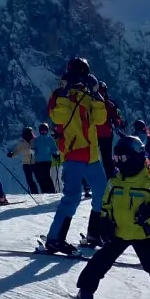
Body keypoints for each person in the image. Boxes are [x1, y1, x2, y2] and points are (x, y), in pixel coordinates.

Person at [74, 136, 150, 299]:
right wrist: (105, 222)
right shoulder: (114, 183)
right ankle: (85, 290)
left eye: (121, 159)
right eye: (115, 159)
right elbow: (106, 204)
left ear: (135, 158)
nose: (117, 163)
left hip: (141, 233)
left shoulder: (147, 183)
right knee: (101, 261)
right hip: (118, 232)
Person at [42, 58, 108, 253]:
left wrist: (96, 95)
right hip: (73, 152)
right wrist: (64, 93)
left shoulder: (87, 96)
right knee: (72, 196)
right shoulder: (59, 95)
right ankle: (54, 239)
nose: (80, 80)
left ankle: (94, 234)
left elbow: (100, 119)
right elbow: (57, 117)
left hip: (92, 154)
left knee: (102, 193)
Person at [95, 80, 124, 178]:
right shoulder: (110, 104)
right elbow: (118, 118)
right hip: (105, 134)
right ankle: (110, 179)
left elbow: (117, 118)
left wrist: (116, 122)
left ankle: (88, 182)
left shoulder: (92, 103)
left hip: (94, 134)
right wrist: (116, 124)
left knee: (92, 158)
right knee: (106, 159)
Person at [7, 126, 37, 192]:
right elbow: (17, 151)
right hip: (26, 163)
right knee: (29, 180)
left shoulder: (35, 141)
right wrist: (12, 155)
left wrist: (34, 151)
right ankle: (35, 192)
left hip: (34, 162)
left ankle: (37, 192)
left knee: (37, 179)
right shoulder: (22, 143)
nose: (28, 134)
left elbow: (38, 150)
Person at [30, 123, 58, 193]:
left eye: (45, 131)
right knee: (40, 177)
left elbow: (54, 148)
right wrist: (31, 153)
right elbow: (33, 149)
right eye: (42, 131)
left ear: (47, 131)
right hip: (38, 161)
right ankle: (44, 190)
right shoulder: (36, 140)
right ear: (39, 131)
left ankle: (51, 190)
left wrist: (55, 154)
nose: (43, 132)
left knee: (46, 175)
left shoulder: (50, 140)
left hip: (47, 161)